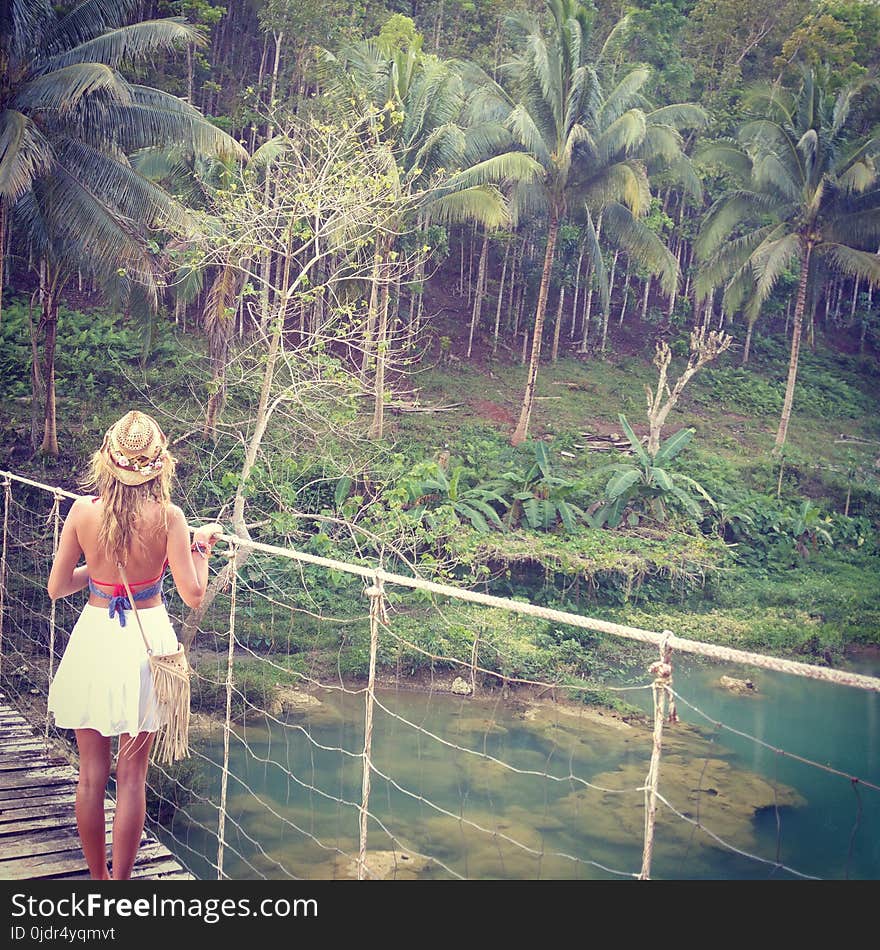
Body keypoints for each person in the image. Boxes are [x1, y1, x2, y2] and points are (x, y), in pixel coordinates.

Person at [47, 410, 223, 880]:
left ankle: (97, 879)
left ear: (107, 462)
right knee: (132, 777)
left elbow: (59, 586)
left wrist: (102, 577)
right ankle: (120, 889)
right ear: (159, 466)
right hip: (146, 642)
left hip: (95, 636)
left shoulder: (84, 513)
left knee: (90, 775)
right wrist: (198, 547)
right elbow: (194, 594)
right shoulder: (170, 519)